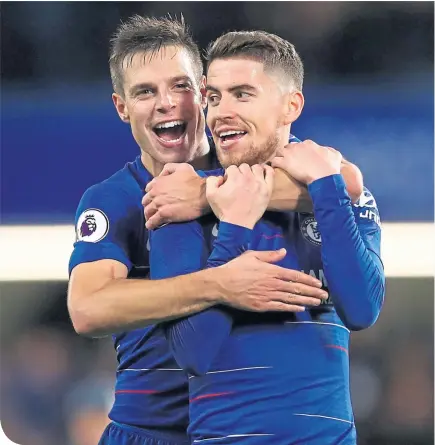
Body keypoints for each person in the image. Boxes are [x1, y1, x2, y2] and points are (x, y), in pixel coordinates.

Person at [149, 30, 385, 444]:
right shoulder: (181, 199)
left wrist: (328, 188)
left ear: (290, 105)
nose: (221, 112)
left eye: (242, 94)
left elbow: (362, 309)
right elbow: (192, 353)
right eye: (215, 97)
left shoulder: (337, 190)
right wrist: (234, 230)